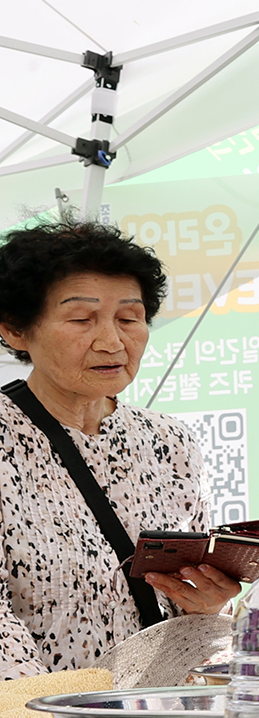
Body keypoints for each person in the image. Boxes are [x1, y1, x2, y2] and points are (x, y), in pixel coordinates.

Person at [0, 221, 240, 677]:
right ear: (15, 330)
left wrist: (207, 604)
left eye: (129, 319)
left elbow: (193, 606)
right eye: (80, 320)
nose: (112, 342)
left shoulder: (170, 442)